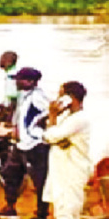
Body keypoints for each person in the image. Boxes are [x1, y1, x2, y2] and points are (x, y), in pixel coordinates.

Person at [0, 67, 50, 219]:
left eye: (20, 79)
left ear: (31, 82)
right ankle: (10, 206)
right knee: (9, 174)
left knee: (39, 180)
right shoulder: (23, 96)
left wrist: (35, 130)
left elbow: (49, 113)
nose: (16, 82)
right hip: (21, 143)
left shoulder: (38, 97)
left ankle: (41, 213)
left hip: (34, 145)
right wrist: (16, 128)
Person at [42, 81, 92, 219]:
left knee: (68, 207)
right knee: (61, 206)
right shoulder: (66, 116)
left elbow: (51, 136)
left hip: (72, 168)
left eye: (61, 96)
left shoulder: (79, 119)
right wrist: (55, 119)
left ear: (70, 97)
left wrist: (52, 117)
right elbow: (48, 135)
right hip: (61, 167)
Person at [0, 51, 19, 123]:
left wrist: (9, 115)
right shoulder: (11, 73)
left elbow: (13, 96)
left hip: (12, 108)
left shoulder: (11, 75)